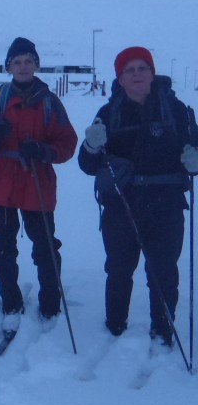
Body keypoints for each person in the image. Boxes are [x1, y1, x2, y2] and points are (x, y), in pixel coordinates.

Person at [78, 46, 198, 347]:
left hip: (166, 204)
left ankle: (163, 330)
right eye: (129, 70)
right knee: (119, 268)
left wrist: (193, 161)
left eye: (142, 68)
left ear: (152, 72)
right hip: (122, 204)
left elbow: (193, 154)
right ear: (120, 77)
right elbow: (87, 165)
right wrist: (92, 146)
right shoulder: (108, 113)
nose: (136, 74)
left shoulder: (177, 110)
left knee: (163, 271)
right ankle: (115, 324)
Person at [0, 37, 78, 337]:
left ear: (36, 65)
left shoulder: (49, 101)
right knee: (3, 246)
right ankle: (10, 300)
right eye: (16, 62)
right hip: (2, 182)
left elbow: (68, 143)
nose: (22, 66)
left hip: (36, 183)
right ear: (9, 67)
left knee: (45, 246)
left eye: (28, 61)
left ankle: (50, 301)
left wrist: (44, 151)